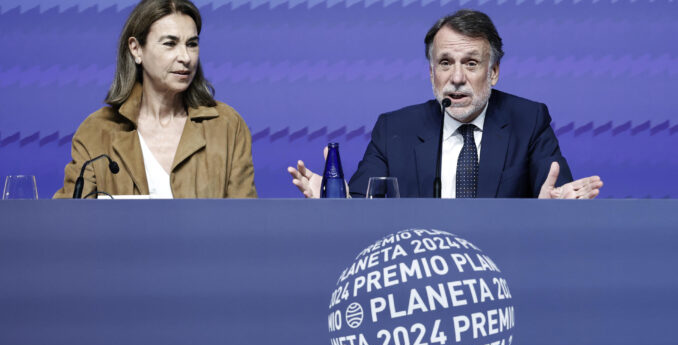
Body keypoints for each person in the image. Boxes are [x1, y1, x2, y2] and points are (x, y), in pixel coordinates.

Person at [288, 10, 602, 199]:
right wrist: (338, 201)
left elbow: (558, 192)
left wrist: (549, 211)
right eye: (445, 62)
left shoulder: (528, 120)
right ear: (431, 73)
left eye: (471, 63)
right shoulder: (394, 129)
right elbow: (361, 207)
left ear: (493, 72)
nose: (456, 78)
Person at [54, 0, 256, 199]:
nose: (185, 57)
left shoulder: (227, 126)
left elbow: (247, 222)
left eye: (192, 44)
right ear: (136, 49)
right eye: (170, 43)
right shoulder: (96, 132)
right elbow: (70, 223)